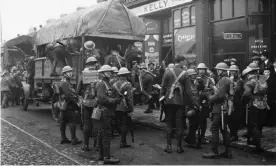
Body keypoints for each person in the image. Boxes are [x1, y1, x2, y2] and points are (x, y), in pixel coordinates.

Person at [160, 55, 200, 153]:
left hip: (168, 101)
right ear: (181, 62)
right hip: (180, 102)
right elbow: (189, 92)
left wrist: (161, 100)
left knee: (169, 123)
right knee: (180, 125)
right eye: (184, 62)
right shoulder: (185, 74)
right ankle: (179, 147)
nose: (185, 63)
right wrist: (196, 104)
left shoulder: (167, 71)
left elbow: (162, 88)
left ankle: (169, 146)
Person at [203, 62, 232, 159]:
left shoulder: (223, 80)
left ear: (223, 71)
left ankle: (214, 152)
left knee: (215, 129)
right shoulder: (227, 79)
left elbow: (219, 95)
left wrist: (209, 97)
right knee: (224, 130)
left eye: (219, 69)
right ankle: (228, 152)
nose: (217, 71)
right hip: (224, 107)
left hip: (219, 107)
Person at [96, 65, 121, 164]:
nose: (110, 73)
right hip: (105, 112)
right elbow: (102, 98)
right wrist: (115, 100)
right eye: (107, 72)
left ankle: (102, 155)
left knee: (103, 133)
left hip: (106, 112)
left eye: (110, 72)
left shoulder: (107, 83)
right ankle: (107, 157)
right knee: (106, 134)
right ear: (102, 73)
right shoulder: (102, 84)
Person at [242, 63, 268, 152]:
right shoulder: (262, 79)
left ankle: (257, 144)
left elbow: (246, 93)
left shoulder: (250, 82)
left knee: (253, 124)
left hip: (254, 104)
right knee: (260, 124)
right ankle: (255, 141)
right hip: (263, 104)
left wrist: (252, 98)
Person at [76, 57, 99, 151]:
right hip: (97, 104)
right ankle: (97, 146)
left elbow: (78, 91)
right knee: (96, 124)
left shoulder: (83, 75)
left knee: (86, 124)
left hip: (86, 103)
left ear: (87, 64)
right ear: (94, 64)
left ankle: (86, 145)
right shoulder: (99, 74)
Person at [59, 66, 82, 145]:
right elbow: (68, 95)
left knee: (63, 121)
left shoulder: (64, 81)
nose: (70, 73)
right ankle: (73, 139)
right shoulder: (65, 82)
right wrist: (76, 103)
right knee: (72, 122)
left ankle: (63, 138)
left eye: (71, 71)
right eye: (68, 72)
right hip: (68, 105)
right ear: (64, 74)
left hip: (63, 105)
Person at [195, 63, 215, 145]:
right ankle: (195, 135)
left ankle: (202, 136)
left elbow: (213, 90)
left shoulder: (208, 80)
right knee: (195, 120)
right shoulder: (194, 78)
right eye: (200, 69)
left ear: (205, 70)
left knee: (203, 121)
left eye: (203, 69)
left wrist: (207, 93)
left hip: (205, 103)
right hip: (196, 102)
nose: (201, 71)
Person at [113, 67, 134, 148]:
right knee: (124, 124)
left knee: (118, 123)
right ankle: (123, 142)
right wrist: (131, 109)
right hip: (124, 107)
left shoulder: (114, 84)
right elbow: (129, 98)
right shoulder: (128, 85)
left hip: (115, 106)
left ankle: (119, 135)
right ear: (126, 75)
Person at [228, 65, 244, 142]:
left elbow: (235, 91)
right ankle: (231, 134)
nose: (232, 72)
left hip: (237, 102)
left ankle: (234, 135)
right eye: (231, 71)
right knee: (230, 119)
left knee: (235, 119)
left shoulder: (240, 81)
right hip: (230, 101)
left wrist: (231, 83)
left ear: (237, 72)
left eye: (233, 71)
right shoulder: (229, 79)